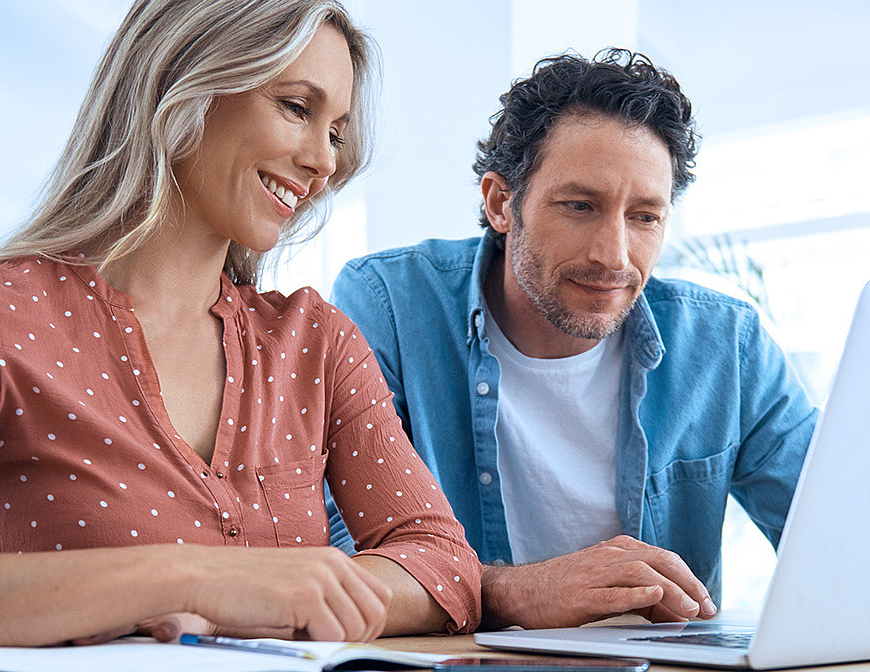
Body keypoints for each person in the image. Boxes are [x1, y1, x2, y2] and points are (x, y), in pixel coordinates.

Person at [0, 0, 480, 665]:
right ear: (183, 87)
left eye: (336, 132)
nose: (325, 162)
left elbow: (445, 565)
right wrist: (190, 575)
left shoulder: (315, 343)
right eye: (297, 108)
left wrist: (300, 596)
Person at [323, 49, 818, 630]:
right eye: (580, 206)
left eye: (645, 217)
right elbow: (338, 555)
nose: (614, 256)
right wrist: (514, 592)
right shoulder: (390, 304)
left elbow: (838, 540)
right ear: (501, 203)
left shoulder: (726, 344)